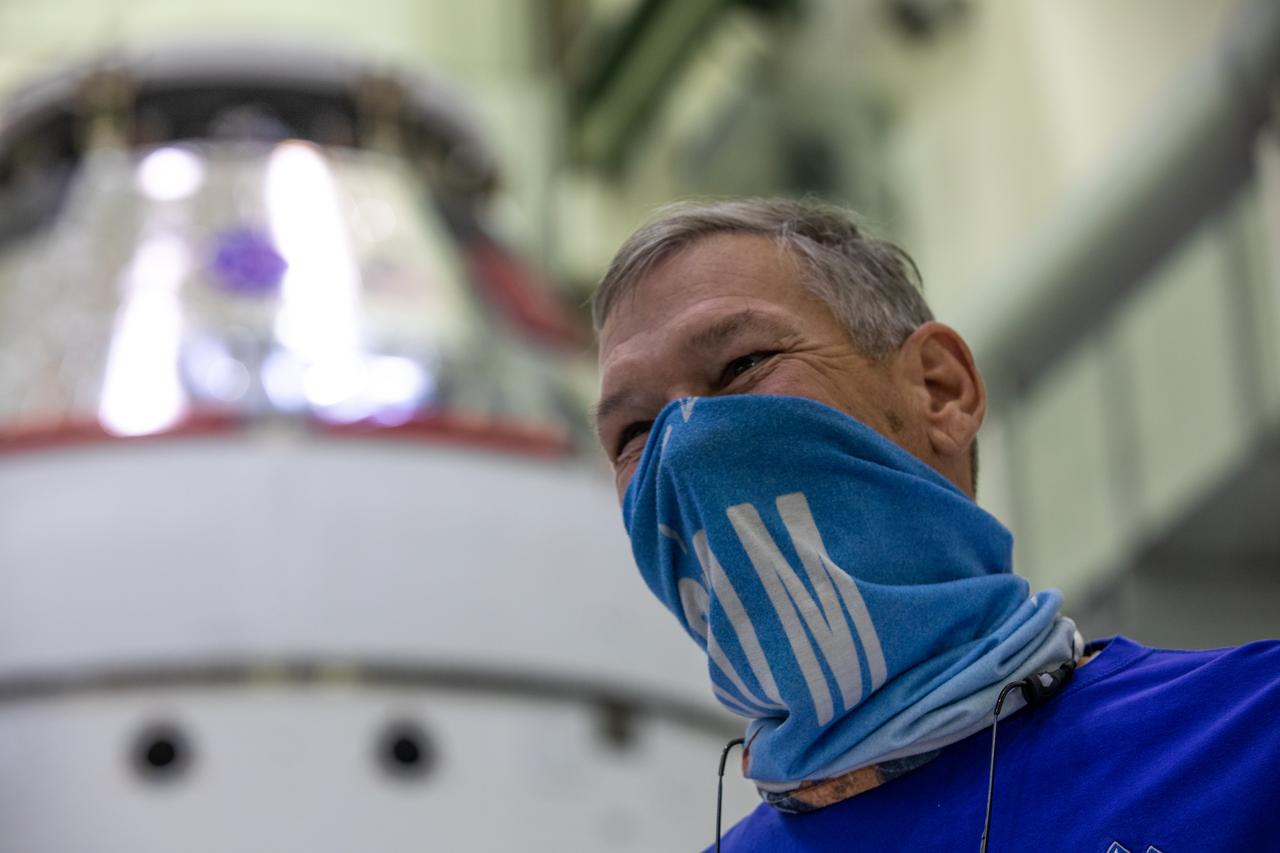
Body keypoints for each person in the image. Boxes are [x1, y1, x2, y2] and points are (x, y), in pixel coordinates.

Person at [590, 198, 1279, 852]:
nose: (680, 451)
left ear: (939, 389)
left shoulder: (1251, 734)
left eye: (742, 364)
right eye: (634, 431)